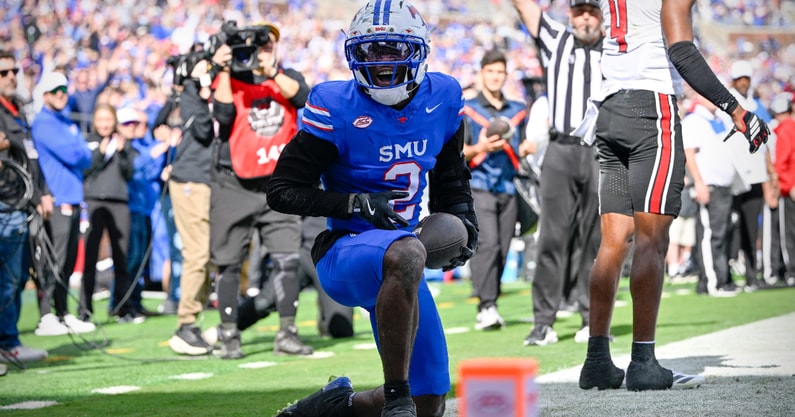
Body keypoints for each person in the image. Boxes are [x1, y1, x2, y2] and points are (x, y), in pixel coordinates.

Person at [267, 2, 477, 416]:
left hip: (405, 262)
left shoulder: (443, 97)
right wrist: (353, 203)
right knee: (406, 251)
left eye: (393, 49)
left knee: (430, 402)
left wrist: (464, 222)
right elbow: (282, 191)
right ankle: (396, 397)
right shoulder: (336, 105)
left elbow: (451, 177)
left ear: (419, 51)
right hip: (346, 250)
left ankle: (333, 407)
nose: (381, 61)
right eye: (371, 50)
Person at [576, 0, 770, 391]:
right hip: (651, 110)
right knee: (652, 239)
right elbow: (681, 51)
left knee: (613, 242)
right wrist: (736, 110)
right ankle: (643, 362)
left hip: (608, 108)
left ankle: (596, 362)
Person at [209, 21, 312, 359]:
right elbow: (222, 114)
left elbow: (303, 97)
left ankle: (287, 333)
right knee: (228, 263)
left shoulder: (286, 76)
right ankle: (229, 336)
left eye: (268, 45)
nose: (262, 51)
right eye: (257, 46)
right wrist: (226, 68)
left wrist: (272, 71)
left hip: (277, 185)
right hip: (234, 184)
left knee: (287, 260)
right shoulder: (230, 79)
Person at [513, 0, 603, 346]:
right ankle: (543, 323)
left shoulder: (614, 46)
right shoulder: (556, 38)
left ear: (602, 16)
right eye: (580, 11)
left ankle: (592, 320)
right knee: (551, 238)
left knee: (594, 239)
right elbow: (525, 8)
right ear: (570, 14)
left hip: (598, 151)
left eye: (592, 11)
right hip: (561, 149)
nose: (585, 18)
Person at [461, 48, 529, 331]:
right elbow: (457, 152)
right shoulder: (467, 109)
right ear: (481, 74)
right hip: (479, 184)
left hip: (509, 187)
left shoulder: (517, 110)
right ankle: (486, 305)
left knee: (502, 247)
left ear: (506, 75)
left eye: (500, 72)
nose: (495, 77)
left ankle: (491, 301)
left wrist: (527, 148)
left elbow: (523, 147)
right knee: (487, 244)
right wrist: (481, 147)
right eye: (490, 71)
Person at [31, 72, 95, 335]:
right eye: (55, 90)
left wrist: (79, 150)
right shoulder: (43, 123)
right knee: (54, 259)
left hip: (73, 197)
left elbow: (87, 157)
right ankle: (46, 315)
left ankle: (62, 312)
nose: (61, 94)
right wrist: (79, 150)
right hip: (57, 199)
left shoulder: (66, 121)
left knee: (67, 260)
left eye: (64, 90)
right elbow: (74, 154)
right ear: (45, 94)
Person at [0, 49, 50, 363]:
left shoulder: (16, 109)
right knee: (7, 279)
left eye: (13, 71)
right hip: (3, 201)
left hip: (19, 201)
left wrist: (41, 193)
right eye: (3, 72)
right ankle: (7, 342)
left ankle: (9, 341)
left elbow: (30, 157)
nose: (11, 77)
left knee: (16, 277)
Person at [166, 60, 216, 356]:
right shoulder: (189, 93)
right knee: (197, 253)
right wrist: (197, 85)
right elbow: (203, 128)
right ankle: (185, 324)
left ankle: (192, 323)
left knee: (208, 253)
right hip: (190, 180)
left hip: (206, 180)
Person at [79, 104, 139, 323]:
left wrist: (121, 152)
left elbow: (129, 173)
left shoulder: (123, 142)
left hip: (119, 202)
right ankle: (84, 311)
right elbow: (85, 170)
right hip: (94, 201)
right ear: (94, 121)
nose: (104, 124)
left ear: (114, 121)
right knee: (90, 257)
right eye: (100, 119)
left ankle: (122, 308)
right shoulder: (88, 142)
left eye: (108, 119)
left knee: (121, 257)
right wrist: (100, 153)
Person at [681, 89, 738, 296]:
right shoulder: (694, 121)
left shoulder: (720, 119)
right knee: (710, 235)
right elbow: (689, 153)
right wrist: (699, 183)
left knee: (722, 234)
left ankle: (723, 278)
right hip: (709, 186)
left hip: (724, 186)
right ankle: (712, 282)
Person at [771, 94, 795, 286]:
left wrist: (785, 185)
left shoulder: (785, 129)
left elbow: (782, 161)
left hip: (790, 188)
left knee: (788, 232)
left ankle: (791, 271)